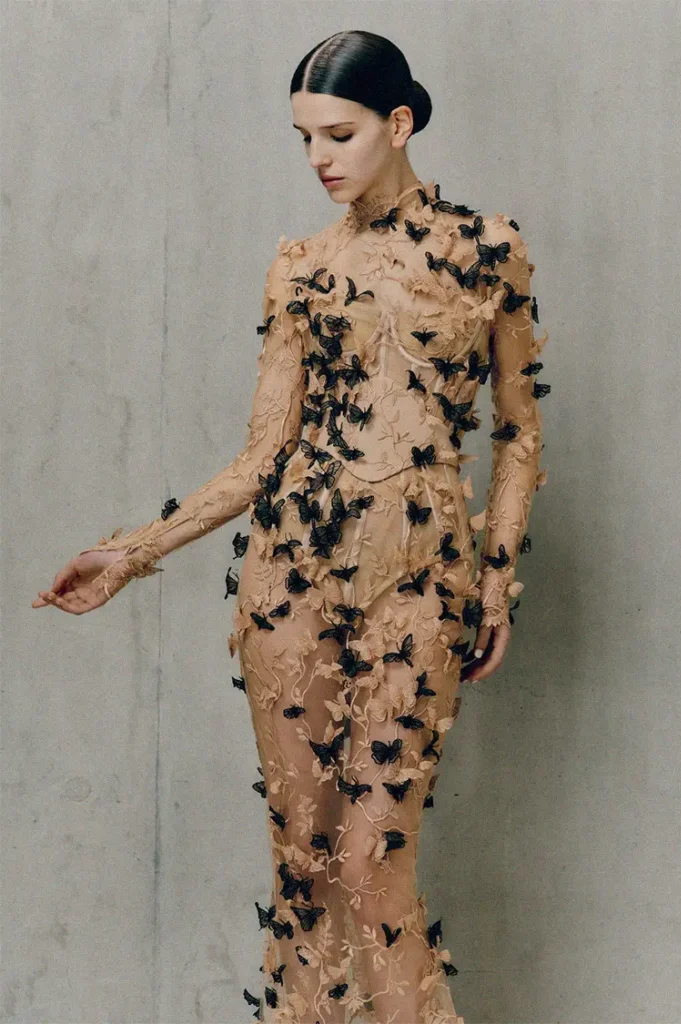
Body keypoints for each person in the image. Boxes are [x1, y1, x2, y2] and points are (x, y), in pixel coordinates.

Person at [32, 29, 549, 1024]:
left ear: (399, 123)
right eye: (304, 137)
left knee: (371, 862)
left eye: (338, 134)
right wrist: (130, 553)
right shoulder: (302, 268)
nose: (318, 157)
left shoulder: (489, 251)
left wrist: (494, 581)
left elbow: (520, 433)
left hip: (421, 584)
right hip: (290, 583)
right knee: (304, 865)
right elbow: (261, 456)